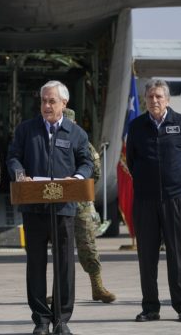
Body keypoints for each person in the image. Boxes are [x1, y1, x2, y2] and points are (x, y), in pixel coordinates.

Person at [7, 81, 93, 335]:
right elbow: (13, 157)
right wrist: (20, 174)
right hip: (34, 209)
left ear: (64, 104)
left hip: (64, 209)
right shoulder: (26, 130)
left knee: (65, 265)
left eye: (51, 101)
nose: (46, 105)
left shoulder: (76, 133)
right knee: (35, 265)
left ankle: (62, 319)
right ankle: (41, 320)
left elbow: (86, 162)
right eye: (43, 100)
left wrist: (77, 178)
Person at [126, 79, 181, 323]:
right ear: (145, 100)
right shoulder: (136, 127)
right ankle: (150, 307)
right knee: (147, 257)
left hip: (176, 199)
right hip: (145, 201)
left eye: (158, 96)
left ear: (167, 99)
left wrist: (176, 181)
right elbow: (132, 162)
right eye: (150, 97)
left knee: (178, 255)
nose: (154, 101)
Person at [63, 108, 116, 303]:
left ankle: (97, 286)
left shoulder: (83, 143)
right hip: (59, 202)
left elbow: (95, 170)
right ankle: (60, 290)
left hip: (81, 204)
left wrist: (84, 189)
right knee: (61, 249)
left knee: (88, 245)